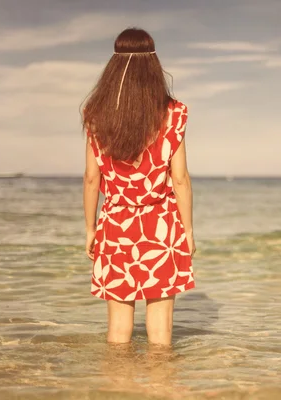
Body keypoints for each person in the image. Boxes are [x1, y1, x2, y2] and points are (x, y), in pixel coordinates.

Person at [81, 27, 196, 346]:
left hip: (116, 226)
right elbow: (180, 179)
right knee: (161, 336)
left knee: (118, 333)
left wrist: (90, 229)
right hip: (162, 225)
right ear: (154, 66)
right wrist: (188, 230)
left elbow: (92, 179)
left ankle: (117, 391)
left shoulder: (96, 115)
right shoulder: (173, 114)